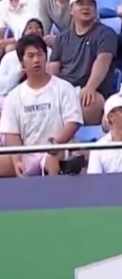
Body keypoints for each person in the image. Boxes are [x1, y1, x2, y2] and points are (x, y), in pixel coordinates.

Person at [0, 34, 82, 177]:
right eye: (30, 56)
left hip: (58, 149)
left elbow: (73, 121)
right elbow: (11, 134)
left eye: (40, 54)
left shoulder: (64, 88)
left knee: (54, 160)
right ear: (22, 62)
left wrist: (57, 142)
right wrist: (16, 161)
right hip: (26, 154)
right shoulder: (13, 96)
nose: (36, 60)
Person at [49, 0, 118, 125]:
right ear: (71, 10)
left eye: (90, 4)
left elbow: (102, 62)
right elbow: (53, 69)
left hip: (93, 90)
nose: (86, 7)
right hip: (65, 90)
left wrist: (90, 87)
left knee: (89, 104)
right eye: (80, 4)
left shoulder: (106, 34)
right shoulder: (61, 38)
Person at [0, 18, 48, 108]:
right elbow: (2, 88)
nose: (34, 30)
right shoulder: (9, 58)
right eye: (30, 28)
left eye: (38, 28)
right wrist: (19, 71)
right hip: (12, 98)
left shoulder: (48, 53)